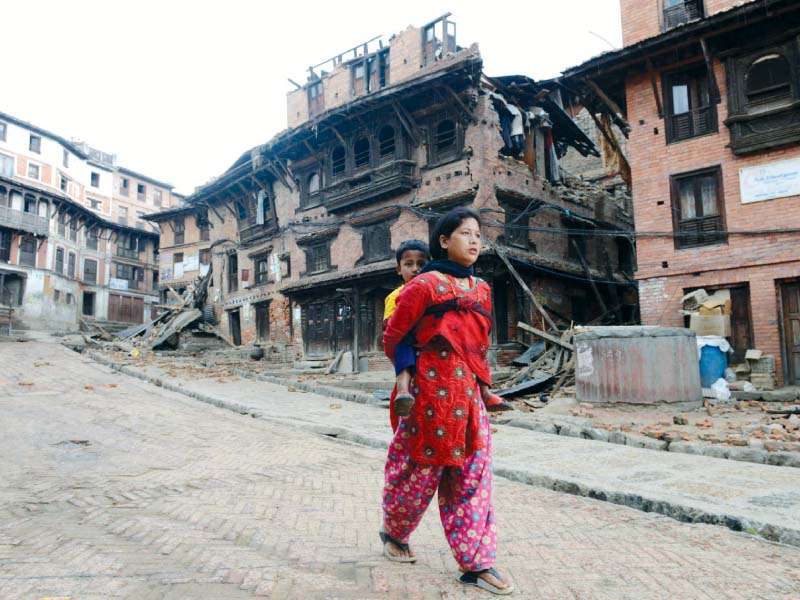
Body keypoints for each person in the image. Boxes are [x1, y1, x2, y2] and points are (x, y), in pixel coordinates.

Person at [379, 207, 514, 595]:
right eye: (466, 233)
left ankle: (477, 563)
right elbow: (395, 336)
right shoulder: (423, 285)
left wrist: (484, 386)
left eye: (478, 235)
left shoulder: (483, 289)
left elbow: (481, 344)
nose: (475, 241)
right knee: (415, 478)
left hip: (469, 401)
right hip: (426, 399)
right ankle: (395, 534)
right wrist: (407, 378)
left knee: (472, 479)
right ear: (444, 240)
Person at [383, 240, 431, 419]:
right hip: (409, 343)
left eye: (421, 264)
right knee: (403, 344)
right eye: (409, 264)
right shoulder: (394, 296)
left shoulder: (435, 291)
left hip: (431, 342)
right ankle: (403, 390)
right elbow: (390, 327)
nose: (416, 269)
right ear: (399, 269)